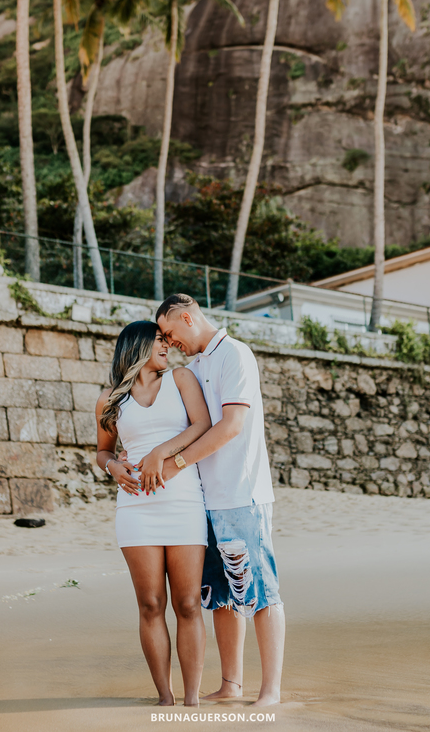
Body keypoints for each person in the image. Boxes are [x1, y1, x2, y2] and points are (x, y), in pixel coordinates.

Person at [144, 294, 285, 707]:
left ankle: (271, 690)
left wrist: (178, 463)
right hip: (205, 500)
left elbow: (232, 426)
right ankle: (231, 684)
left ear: (187, 317)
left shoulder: (235, 355)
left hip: (243, 495)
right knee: (221, 595)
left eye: (170, 332)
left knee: (260, 592)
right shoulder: (195, 367)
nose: (169, 344)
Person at [95, 320, 213, 707]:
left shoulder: (181, 380)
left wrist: (161, 452)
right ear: (138, 346)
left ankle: (192, 698)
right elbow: (103, 452)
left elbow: (203, 425)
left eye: (167, 339)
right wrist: (113, 468)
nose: (167, 345)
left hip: (183, 502)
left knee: (188, 604)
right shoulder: (110, 400)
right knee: (150, 605)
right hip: (135, 507)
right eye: (160, 340)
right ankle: (165, 696)